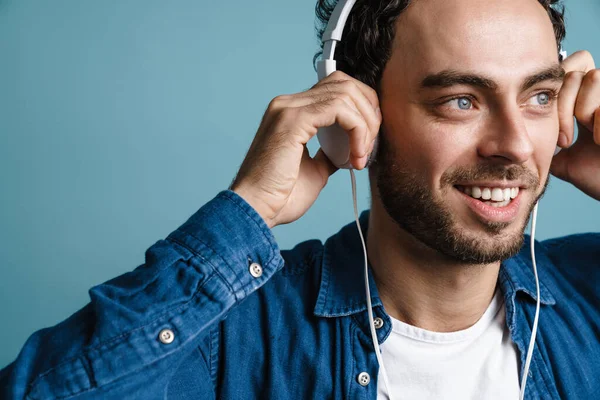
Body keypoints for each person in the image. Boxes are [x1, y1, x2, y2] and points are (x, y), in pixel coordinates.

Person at [2, 0, 600, 398]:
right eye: (461, 100)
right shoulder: (234, 337)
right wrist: (248, 210)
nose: (516, 145)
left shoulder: (587, 295)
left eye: (540, 96)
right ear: (356, 114)